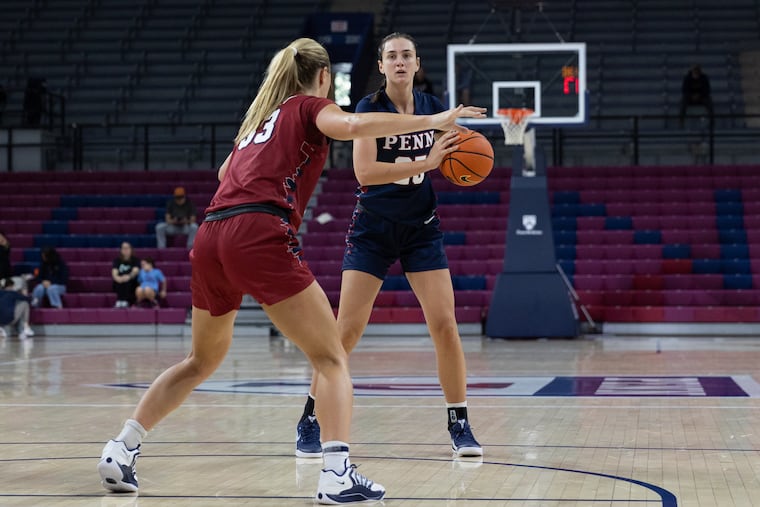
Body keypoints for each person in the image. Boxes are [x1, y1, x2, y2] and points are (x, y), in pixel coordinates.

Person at [96, 37, 484, 504]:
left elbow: (225, 174)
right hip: (259, 233)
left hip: (212, 234)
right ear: (323, 77)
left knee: (201, 360)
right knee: (332, 358)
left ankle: (122, 446)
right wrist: (433, 121)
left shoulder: (261, 118)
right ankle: (337, 474)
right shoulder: (309, 107)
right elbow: (356, 125)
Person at [294, 33, 484, 462]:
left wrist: (467, 152)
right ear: (381, 66)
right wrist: (429, 163)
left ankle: (459, 421)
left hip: (421, 228)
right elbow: (365, 173)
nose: (400, 62)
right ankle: (310, 418)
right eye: (392, 56)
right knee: (345, 332)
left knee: (445, 325)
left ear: (418, 63)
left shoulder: (436, 108)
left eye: (407, 56)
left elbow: (460, 151)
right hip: (374, 230)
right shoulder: (367, 109)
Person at [112, 242, 141, 308]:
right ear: (121, 250)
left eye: (127, 248)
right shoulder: (117, 260)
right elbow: (114, 272)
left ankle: (126, 301)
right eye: (123, 248)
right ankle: (120, 300)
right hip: (119, 281)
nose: (125, 250)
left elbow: (135, 271)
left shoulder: (135, 260)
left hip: (131, 281)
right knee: (119, 282)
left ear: (131, 249)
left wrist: (128, 277)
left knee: (128, 282)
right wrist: (118, 278)